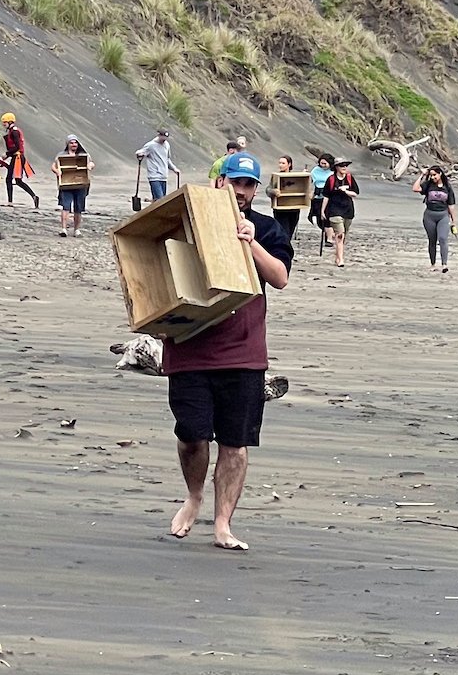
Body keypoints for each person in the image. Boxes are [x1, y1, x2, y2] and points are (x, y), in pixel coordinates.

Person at [163, 152, 292, 552]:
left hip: (243, 351)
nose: (241, 191)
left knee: (235, 443)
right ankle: (194, 497)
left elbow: (281, 278)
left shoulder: (268, 228)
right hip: (189, 345)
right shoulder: (188, 218)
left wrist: (250, 242)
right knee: (191, 435)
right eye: (235, 182)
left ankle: (222, 524)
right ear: (218, 181)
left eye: (249, 185)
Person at [417, 164, 457, 273]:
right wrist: (422, 175)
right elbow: (416, 188)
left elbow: (451, 206)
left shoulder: (447, 188)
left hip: (443, 215)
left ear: (440, 174)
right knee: (432, 241)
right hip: (429, 216)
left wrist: (454, 221)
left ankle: (444, 265)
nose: (433, 177)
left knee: (443, 238)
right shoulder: (428, 185)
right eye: (431, 175)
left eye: (435, 175)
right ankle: (433, 264)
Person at [321, 155, 358, 264]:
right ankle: (341, 260)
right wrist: (322, 211)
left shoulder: (350, 178)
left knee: (343, 235)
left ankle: (338, 255)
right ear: (336, 167)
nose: (344, 167)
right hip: (334, 210)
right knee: (340, 234)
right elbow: (326, 196)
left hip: (348, 210)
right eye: (342, 165)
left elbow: (355, 193)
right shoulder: (331, 179)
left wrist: (345, 191)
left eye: (346, 165)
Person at [0, 112, 40, 207]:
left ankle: (11, 201)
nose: (3, 124)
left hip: (17, 158)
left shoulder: (14, 132)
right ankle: (33, 196)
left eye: (4, 122)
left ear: (10, 122)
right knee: (16, 180)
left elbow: (17, 146)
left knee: (11, 179)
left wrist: (6, 154)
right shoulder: (12, 131)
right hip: (16, 157)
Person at [55, 135, 89, 236]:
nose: (74, 144)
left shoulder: (83, 154)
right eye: (71, 143)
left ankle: (77, 230)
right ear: (67, 144)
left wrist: (90, 165)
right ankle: (64, 229)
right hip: (66, 185)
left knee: (78, 208)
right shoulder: (61, 155)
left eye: (75, 142)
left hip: (80, 185)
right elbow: (54, 165)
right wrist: (57, 171)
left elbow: (90, 163)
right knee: (65, 207)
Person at [134, 128, 173, 203]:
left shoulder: (167, 145)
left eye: (166, 138)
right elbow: (139, 152)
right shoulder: (151, 145)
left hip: (164, 176)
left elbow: (167, 159)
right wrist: (140, 154)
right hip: (154, 176)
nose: (164, 140)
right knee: (160, 200)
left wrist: (174, 169)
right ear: (159, 135)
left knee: (160, 200)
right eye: (163, 138)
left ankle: (154, 211)